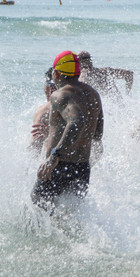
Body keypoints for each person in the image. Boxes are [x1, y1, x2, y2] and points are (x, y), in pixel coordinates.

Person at [33, 51, 104, 209]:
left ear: (57, 74)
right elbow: (98, 134)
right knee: (72, 218)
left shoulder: (61, 95)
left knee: (36, 211)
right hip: (82, 168)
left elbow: (76, 122)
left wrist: (54, 155)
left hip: (59, 166)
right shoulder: (93, 94)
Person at [29, 68, 55, 151]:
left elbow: (33, 150)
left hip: (54, 161)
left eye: (46, 84)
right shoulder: (78, 105)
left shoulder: (44, 111)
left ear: (50, 88)